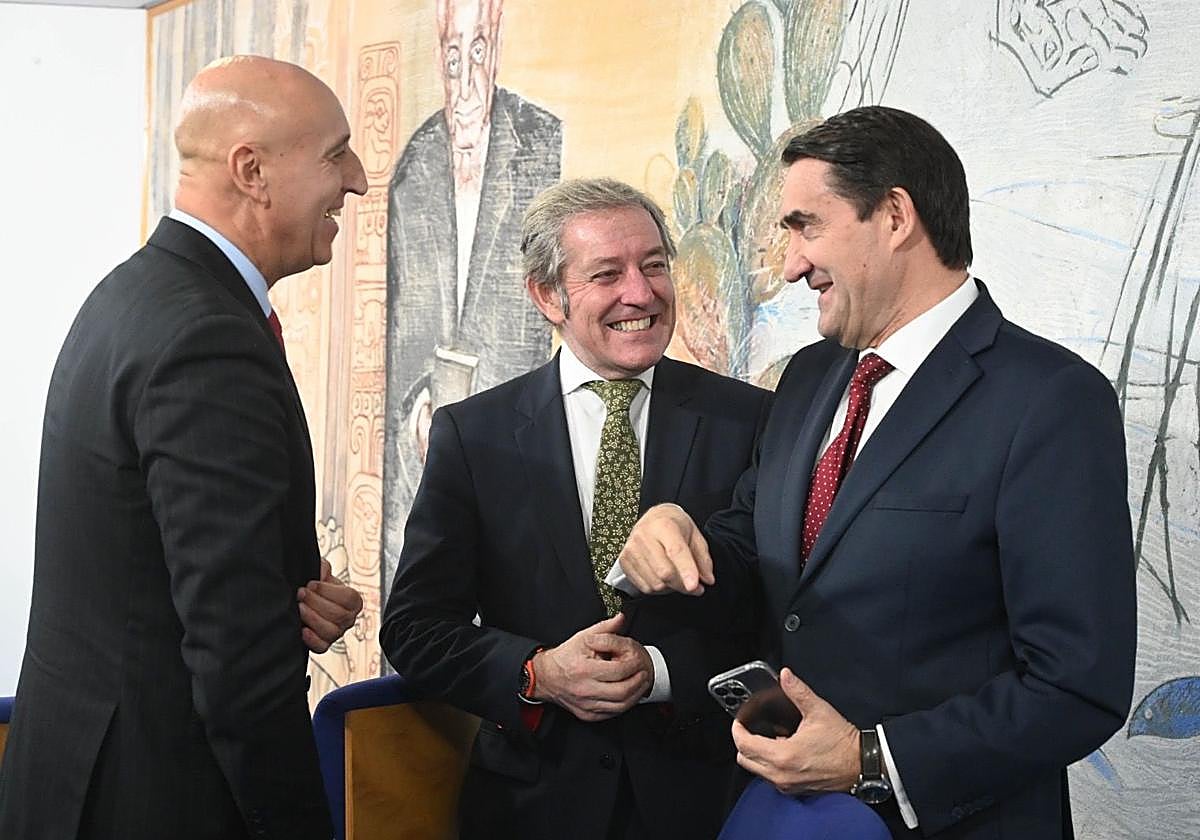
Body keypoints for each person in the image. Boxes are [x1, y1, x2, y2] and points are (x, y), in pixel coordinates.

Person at [617, 106, 1137, 839]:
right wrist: (674, 536)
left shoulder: (1051, 401)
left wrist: (871, 758)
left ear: (894, 215)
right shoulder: (807, 377)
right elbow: (754, 562)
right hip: (774, 815)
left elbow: (1077, 685)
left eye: (806, 226)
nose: (791, 262)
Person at [0, 56, 368, 840]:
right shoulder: (207, 339)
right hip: (160, 796)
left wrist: (285, 587)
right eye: (336, 153)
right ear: (252, 171)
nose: (358, 180)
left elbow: (153, 561)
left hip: (82, 774)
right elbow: (235, 660)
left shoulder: (135, 293)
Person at [380, 178, 771, 839]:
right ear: (547, 295)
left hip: (705, 804)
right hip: (531, 806)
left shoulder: (752, 420)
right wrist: (537, 673)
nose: (641, 294)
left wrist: (663, 673)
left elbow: (774, 612)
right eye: (607, 274)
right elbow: (417, 629)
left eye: (653, 266)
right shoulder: (474, 435)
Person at [381, 0, 562, 592]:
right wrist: (418, 410)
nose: (463, 85)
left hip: (528, 451)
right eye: (451, 57)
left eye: (478, 52)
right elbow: (407, 339)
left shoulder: (542, 145)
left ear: (499, 46)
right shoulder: (415, 169)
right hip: (438, 453)